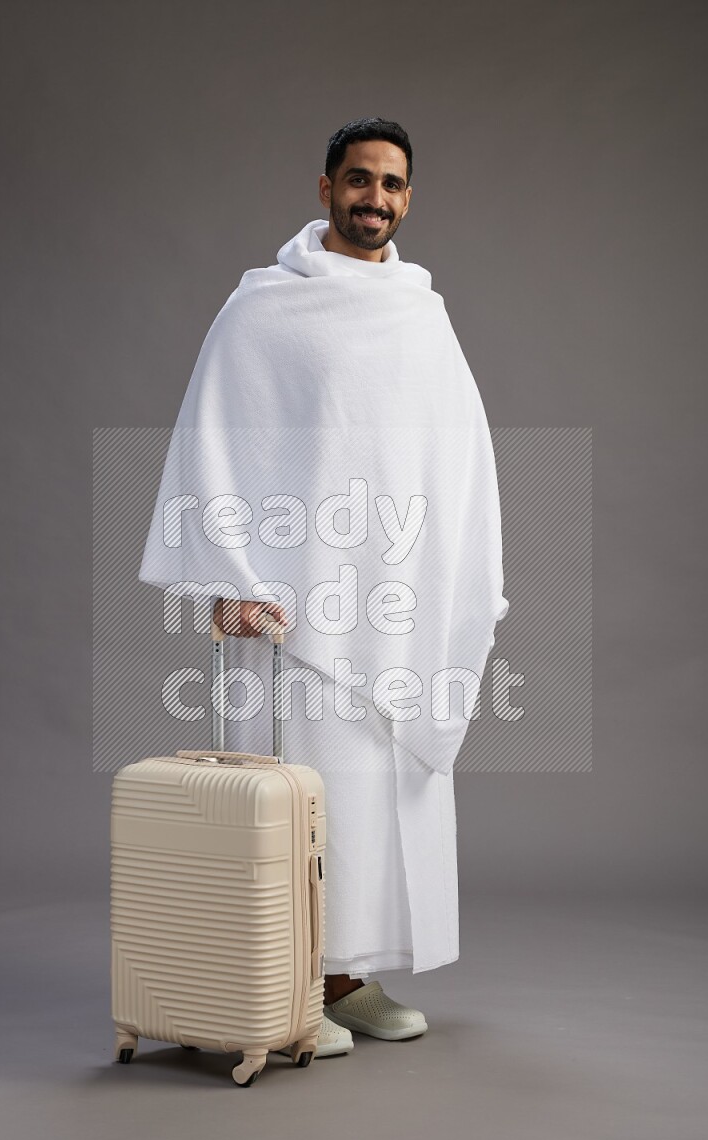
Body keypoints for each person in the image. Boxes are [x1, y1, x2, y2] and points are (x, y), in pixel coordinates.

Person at [139, 116, 509, 1059]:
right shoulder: (265, 307)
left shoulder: (423, 314)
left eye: (390, 184)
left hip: (396, 598)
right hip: (295, 607)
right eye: (357, 180)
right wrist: (226, 579)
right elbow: (215, 439)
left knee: (377, 796)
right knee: (304, 791)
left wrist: (463, 574)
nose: (372, 198)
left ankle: (348, 978)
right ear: (324, 188)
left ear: (408, 198)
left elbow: (461, 458)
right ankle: (286, 978)